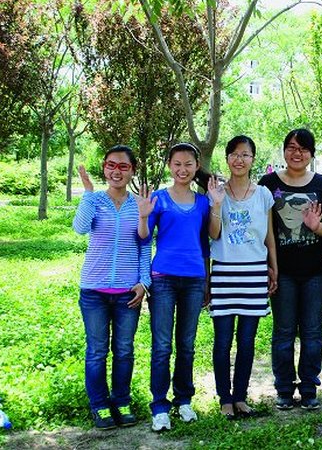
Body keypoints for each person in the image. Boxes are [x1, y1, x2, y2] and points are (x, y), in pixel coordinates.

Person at [258, 128, 322, 410]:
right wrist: (269, 265)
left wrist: (318, 228)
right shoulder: (268, 184)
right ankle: (283, 388)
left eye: (303, 149)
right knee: (283, 331)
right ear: (284, 151)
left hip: (316, 271)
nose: (297, 153)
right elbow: (263, 226)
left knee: (312, 331)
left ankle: (308, 388)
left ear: (311, 154)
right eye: (291, 147)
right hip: (282, 271)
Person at [73, 145, 150, 430]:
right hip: (93, 291)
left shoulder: (139, 204)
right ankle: (99, 405)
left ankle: (121, 401)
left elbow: (145, 244)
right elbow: (80, 228)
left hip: (127, 293)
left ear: (132, 171)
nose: (116, 171)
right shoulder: (95, 200)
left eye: (123, 166)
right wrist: (87, 193)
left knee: (124, 350)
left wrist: (144, 282)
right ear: (104, 168)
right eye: (111, 165)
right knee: (96, 351)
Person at [137, 142, 211, 431]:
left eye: (188, 164)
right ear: (169, 165)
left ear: (196, 167)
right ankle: (159, 405)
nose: (183, 169)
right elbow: (144, 238)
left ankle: (184, 400)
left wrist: (207, 280)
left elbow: (205, 244)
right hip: (163, 278)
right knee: (162, 345)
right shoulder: (158, 198)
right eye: (177, 164)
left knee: (187, 344)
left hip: (194, 279)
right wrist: (144, 216)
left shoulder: (203, 202)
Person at [206, 135, 278, 419]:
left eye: (245, 155)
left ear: (253, 160)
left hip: (254, 273)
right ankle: (225, 399)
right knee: (222, 341)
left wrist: (273, 267)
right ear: (227, 158)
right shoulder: (216, 192)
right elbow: (213, 234)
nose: (240, 159)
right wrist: (216, 205)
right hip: (224, 272)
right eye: (235, 154)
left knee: (247, 341)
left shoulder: (263, 195)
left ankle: (240, 397)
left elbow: (269, 236)